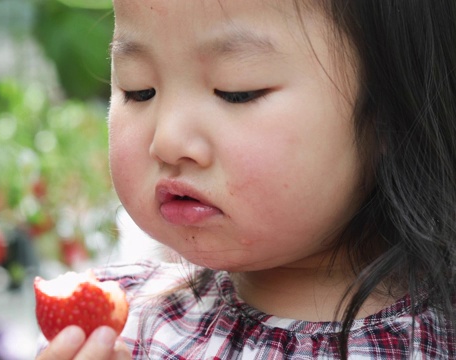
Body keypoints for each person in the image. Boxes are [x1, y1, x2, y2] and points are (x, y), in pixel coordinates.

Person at [37, 1, 456, 359]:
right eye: (138, 90)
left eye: (236, 91)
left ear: (390, 112)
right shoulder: (123, 320)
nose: (167, 141)